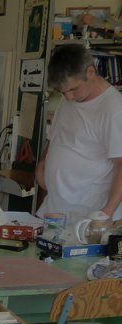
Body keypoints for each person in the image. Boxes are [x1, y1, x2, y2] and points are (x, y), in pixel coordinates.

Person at [35, 43, 122, 223]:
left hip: (86, 218)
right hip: (55, 210)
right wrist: (43, 163)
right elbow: (56, 138)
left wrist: (107, 213)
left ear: (90, 72)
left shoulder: (113, 109)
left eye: (73, 89)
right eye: (62, 92)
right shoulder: (70, 98)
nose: (68, 97)